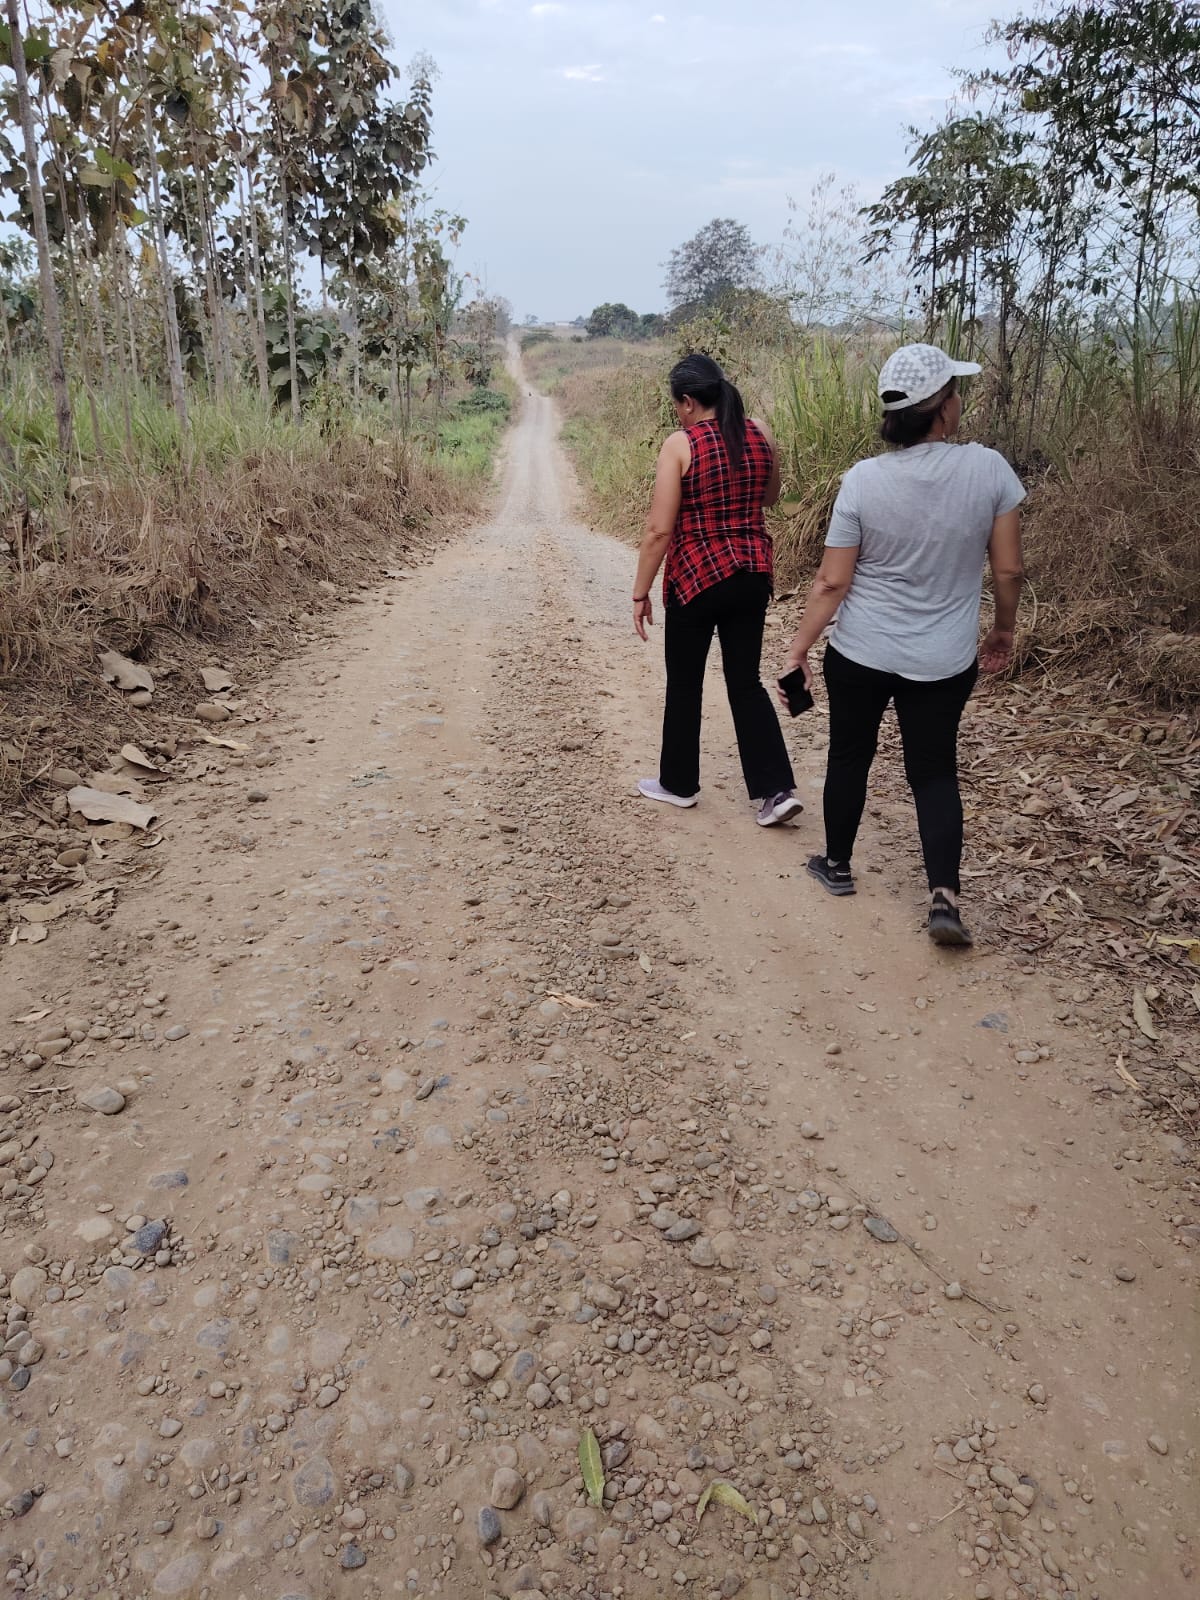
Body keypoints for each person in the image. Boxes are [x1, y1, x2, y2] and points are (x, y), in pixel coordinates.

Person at [781, 342, 1026, 946]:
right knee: (934, 772)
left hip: (861, 651)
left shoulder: (863, 480)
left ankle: (837, 865)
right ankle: (944, 898)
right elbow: (1008, 570)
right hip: (943, 658)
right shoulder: (989, 469)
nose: (959, 402)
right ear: (941, 408)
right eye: (955, 393)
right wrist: (1003, 629)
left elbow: (832, 581)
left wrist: (799, 649)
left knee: (849, 755)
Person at [632, 353, 802, 827]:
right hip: (751, 573)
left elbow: (659, 530)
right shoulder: (759, 431)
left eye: (677, 406)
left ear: (688, 401)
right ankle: (776, 791)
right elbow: (770, 497)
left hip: (696, 577)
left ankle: (679, 784)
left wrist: (640, 592)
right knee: (745, 682)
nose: (678, 414)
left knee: (685, 683)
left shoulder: (680, 444)